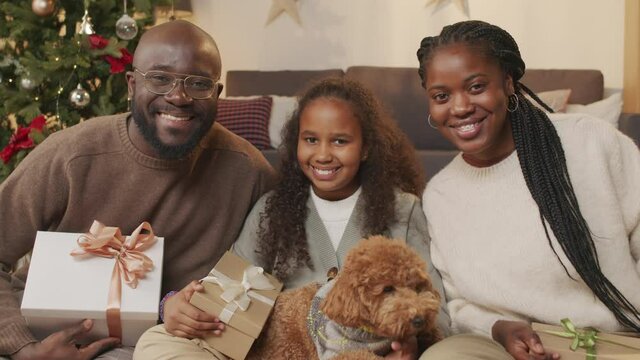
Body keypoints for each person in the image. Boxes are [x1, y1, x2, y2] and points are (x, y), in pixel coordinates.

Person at [0, 20, 275, 360]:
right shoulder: (72, 155)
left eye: (199, 84)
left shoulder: (247, 170)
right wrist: (24, 349)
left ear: (216, 94)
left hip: (167, 345)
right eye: (160, 79)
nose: (178, 96)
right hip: (44, 338)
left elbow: (285, 258)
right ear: (132, 85)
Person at [133, 78, 450, 359]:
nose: (323, 155)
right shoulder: (272, 209)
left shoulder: (403, 209)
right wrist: (176, 307)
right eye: (311, 140)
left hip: (369, 352)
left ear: (366, 148)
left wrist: (411, 345)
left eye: (340, 141)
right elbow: (225, 292)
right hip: (288, 349)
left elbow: (436, 308)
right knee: (156, 342)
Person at [415, 20, 640, 359]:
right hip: (508, 347)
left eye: (476, 87)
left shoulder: (589, 141)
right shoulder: (439, 195)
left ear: (507, 83)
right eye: (441, 96)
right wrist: (498, 326)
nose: (459, 107)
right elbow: (457, 301)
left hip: (616, 339)